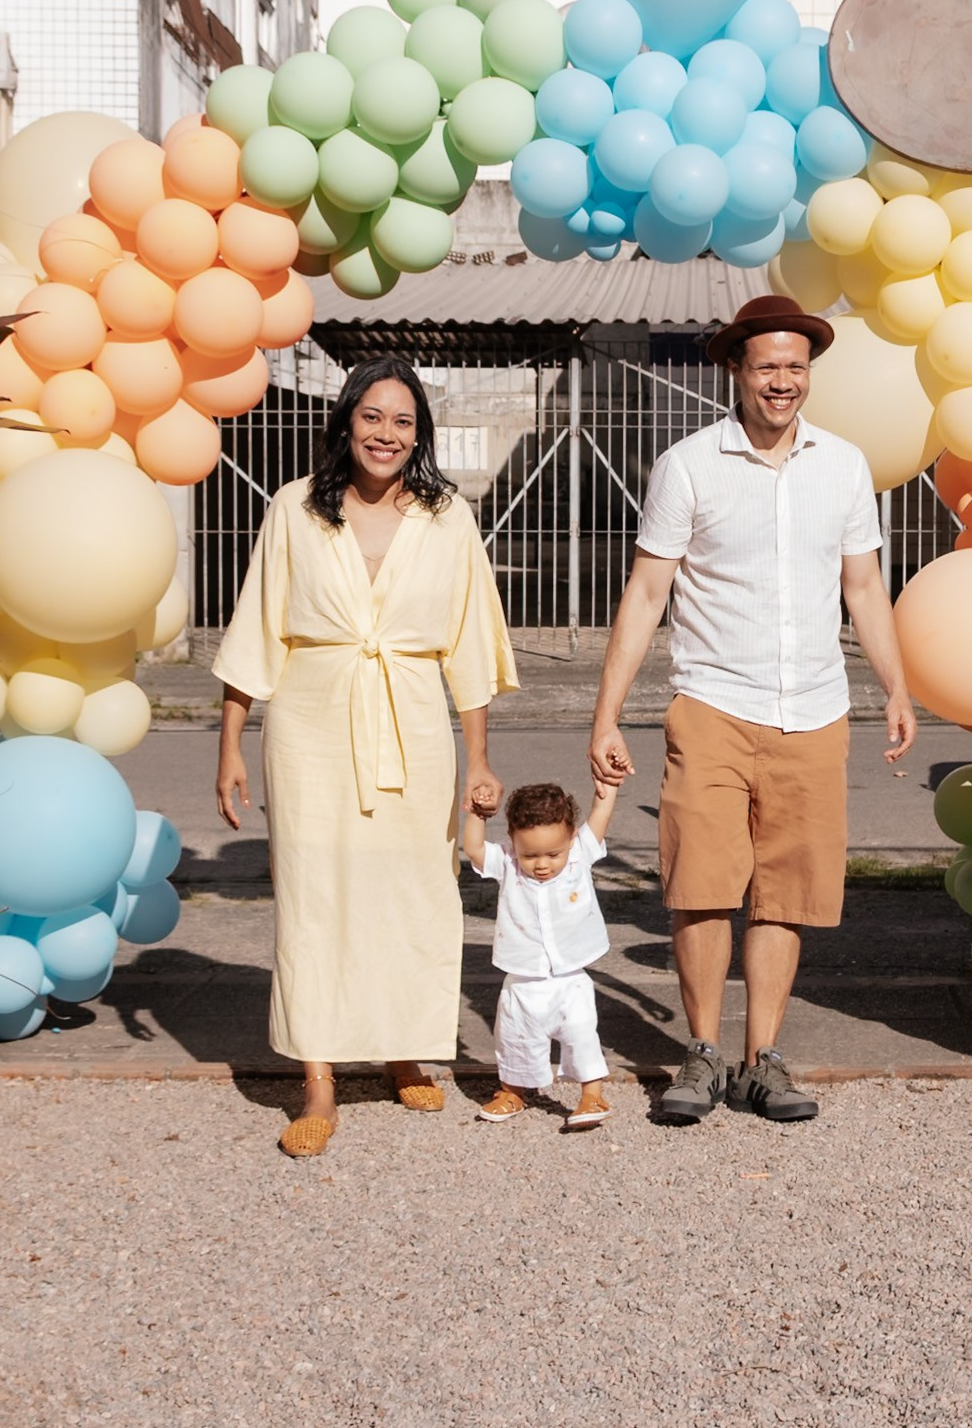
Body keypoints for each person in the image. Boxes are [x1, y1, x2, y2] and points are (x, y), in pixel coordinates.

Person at [589, 295, 917, 1125]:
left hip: (813, 707)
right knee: (700, 886)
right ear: (736, 370)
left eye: (796, 367)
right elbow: (646, 592)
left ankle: (761, 1059)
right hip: (714, 704)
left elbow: (865, 586)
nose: (783, 381)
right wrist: (607, 713)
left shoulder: (843, 466)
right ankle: (700, 1054)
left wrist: (897, 686)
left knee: (787, 892)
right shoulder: (689, 465)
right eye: (768, 365)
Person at [213, 357, 518, 1159]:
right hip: (311, 722)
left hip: (414, 722)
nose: (388, 434)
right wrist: (230, 747)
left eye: (404, 421)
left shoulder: (448, 517)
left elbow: (470, 643)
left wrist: (479, 759)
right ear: (347, 421)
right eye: (374, 417)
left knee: (413, 890)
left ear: (420, 434)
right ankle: (318, 1076)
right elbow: (257, 627)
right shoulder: (294, 511)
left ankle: (402, 1048)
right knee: (315, 894)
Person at [463, 779, 618, 1130]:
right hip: (522, 977)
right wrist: (477, 813)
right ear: (513, 842)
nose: (542, 864)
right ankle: (512, 1091)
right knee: (515, 1036)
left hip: (571, 978)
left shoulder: (581, 853)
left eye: (553, 854)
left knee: (581, 1034)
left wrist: (608, 786)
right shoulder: (506, 863)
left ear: (571, 840)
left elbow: (601, 813)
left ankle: (591, 1093)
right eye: (530, 855)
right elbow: (472, 847)